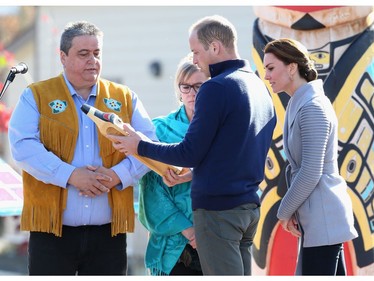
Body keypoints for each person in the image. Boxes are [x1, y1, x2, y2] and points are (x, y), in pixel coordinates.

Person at [107, 15, 277, 275]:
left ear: (215, 47)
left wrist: (139, 145)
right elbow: (237, 152)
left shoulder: (216, 87)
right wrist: (193, 174)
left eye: (196, 52)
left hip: (218, 211)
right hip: (249, 209)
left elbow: (189, 152)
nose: (194, 59)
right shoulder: (258, 85)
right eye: (185, 87)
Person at [8, 21, 157, 275]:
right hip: (51, 235)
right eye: (84, 54)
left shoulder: (124, 97)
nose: (93, 61)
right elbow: (22, 146)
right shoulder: (37, 96)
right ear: (63, 57)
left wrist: (116, 176)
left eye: (97, 53)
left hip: (108, 237)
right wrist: (70, 175)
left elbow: (149, 145)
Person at [262, 38, 358, 275]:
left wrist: (283, 211)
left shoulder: (313, 106)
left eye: (271, 68)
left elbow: (311, 171)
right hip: (317, 219)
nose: (266, 75)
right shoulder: (301, 102)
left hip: (323, 218)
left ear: (292, 67)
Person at [138, 55, 208, 276]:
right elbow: (152, 190)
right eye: (186, 87)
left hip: (217, 234)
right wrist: (189, 232)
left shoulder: (224, 129)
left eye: (199, 86)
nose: (192, 93)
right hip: (176, 247)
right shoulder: (159, 130)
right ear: (178, 89)